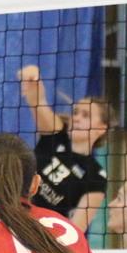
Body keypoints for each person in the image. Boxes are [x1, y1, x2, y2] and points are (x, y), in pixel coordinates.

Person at [17, 64, 112, 233]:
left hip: (42, 234)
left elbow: (75, 230)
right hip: (15, 214)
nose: (76, 118)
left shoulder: (96, 177)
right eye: (75, 112)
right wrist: (32, 76)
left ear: (101, 128)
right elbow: (37, 102)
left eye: (86, 115)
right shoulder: (56, 134)